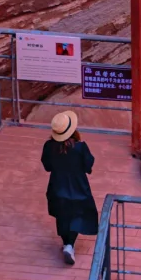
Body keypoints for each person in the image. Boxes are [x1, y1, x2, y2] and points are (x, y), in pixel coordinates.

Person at [41, 110, 99, 264]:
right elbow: (88, 166)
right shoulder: (80, 147)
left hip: (57, 187)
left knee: (62, 216)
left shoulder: (49, 146)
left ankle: (67, 243)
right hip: (78, 187)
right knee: (77, 215)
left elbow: (47, 166)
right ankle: (70, 245)